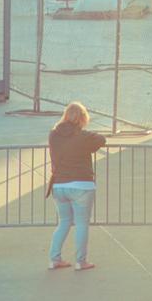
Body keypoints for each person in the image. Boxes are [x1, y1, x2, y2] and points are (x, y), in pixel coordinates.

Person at [46, 101, 105, 271]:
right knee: (81, 223)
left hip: (58, 186)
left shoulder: (52, 135)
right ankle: (81, 261)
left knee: (64, 222)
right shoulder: (83, 137)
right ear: (82, 119)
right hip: (81, 185)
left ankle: (54, 258)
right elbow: (101, 139)